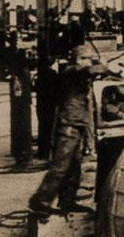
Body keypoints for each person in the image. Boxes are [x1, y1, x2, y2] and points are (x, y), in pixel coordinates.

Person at [28, 44, 115, 215]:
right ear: (77, 59)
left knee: (74, 167)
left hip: (78, 124)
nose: (87, 62)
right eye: (85, 59)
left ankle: (68, 200)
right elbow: (89, 71)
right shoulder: (71, 72)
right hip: (69, 126)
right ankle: (40, 200)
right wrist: (104, 66)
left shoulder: (80, 74)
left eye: (89, 59)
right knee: (60, 166)